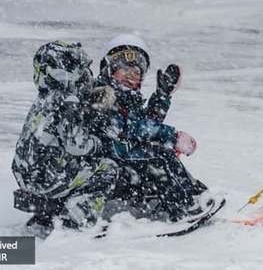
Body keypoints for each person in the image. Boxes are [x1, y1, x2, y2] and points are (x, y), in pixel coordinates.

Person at [94, 34, 225, 226]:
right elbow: (131, 129)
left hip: (119, 158)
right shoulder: (101, 95)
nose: (131, 77)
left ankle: (197, 195)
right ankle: (183, 208)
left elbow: (143, 123)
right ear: (109, 69)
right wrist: (171, 136)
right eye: (124, 70)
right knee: (159, 157)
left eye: (136, 72)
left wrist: (162, 96)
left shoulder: (126, 97)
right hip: (104, 164)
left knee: (159, 154)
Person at [12, 41, 119, 238]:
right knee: (107, 168)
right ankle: (79, 218)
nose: (86, 72)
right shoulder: (67, 100)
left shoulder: (46, 97)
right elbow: (76, 144)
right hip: (46, 178)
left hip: (27, 174)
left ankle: (47, 215)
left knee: (75, 166)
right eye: (80, 67)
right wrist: (99, 144)